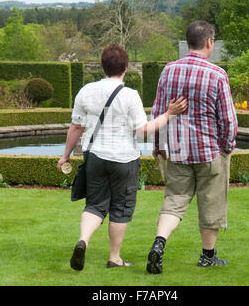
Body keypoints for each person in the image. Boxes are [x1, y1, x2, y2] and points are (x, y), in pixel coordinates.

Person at [57, 44, 187, 271]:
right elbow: (142, 131)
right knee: (121, 208)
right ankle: (115, 258)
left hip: (95, 156)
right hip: (124, 159)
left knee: (95, 204)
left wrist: (65, 156)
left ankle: (83, 240)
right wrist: (168, 114)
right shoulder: (130, 95)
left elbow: (76, 126)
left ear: (102, 66)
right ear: (125, 67)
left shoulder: (86, 91)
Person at [146, 21, 238, 274]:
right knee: (211, 202)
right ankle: (208, 256)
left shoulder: (168, 71)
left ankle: (159, 243)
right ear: (209, 42)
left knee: (174, 201)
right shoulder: (217, 74)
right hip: (209, 152)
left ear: (188, 42)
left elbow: (158, 111)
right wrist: (227, 147)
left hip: (178, 151)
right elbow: (228, 119)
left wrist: (158, 146)